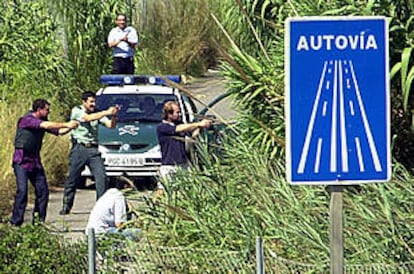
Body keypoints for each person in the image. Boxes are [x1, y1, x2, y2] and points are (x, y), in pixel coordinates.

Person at [10, 99, 79, 226]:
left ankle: (38, 223)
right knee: (22, 191)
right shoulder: (26, 120)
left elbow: (59, 131)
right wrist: (66, 124)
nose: (49, 112)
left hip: (35, 162)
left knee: (43, 192)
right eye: (47, 109)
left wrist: (73, 126)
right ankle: (16, 222)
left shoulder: (43, 122)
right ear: (39, 109)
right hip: (21, 161)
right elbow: (46, 126)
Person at [59, 91, 120, 215]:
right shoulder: (77, 110)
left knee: (101, 177)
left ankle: (101, 206)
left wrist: (114, 116)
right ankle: (67, 204)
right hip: (79, 148)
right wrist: (107, 112)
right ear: (84, 102)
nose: (93, 104)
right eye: (91, 102)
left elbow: (110, 125)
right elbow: (87, 118)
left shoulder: (97, 113)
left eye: (94, 101)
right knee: (72, 178)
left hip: (93, 149)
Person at [155, 101, 211, 192]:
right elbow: (178, 129)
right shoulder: (162, 127)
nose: (179, 114)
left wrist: (201, 127)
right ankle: (155, 204)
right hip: (169, 165)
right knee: (163, 190)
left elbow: (191, 137)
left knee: (189, 188)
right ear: (169, 114)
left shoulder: (179, 123)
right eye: (177, 112)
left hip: (183, 163)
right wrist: (198, 124)